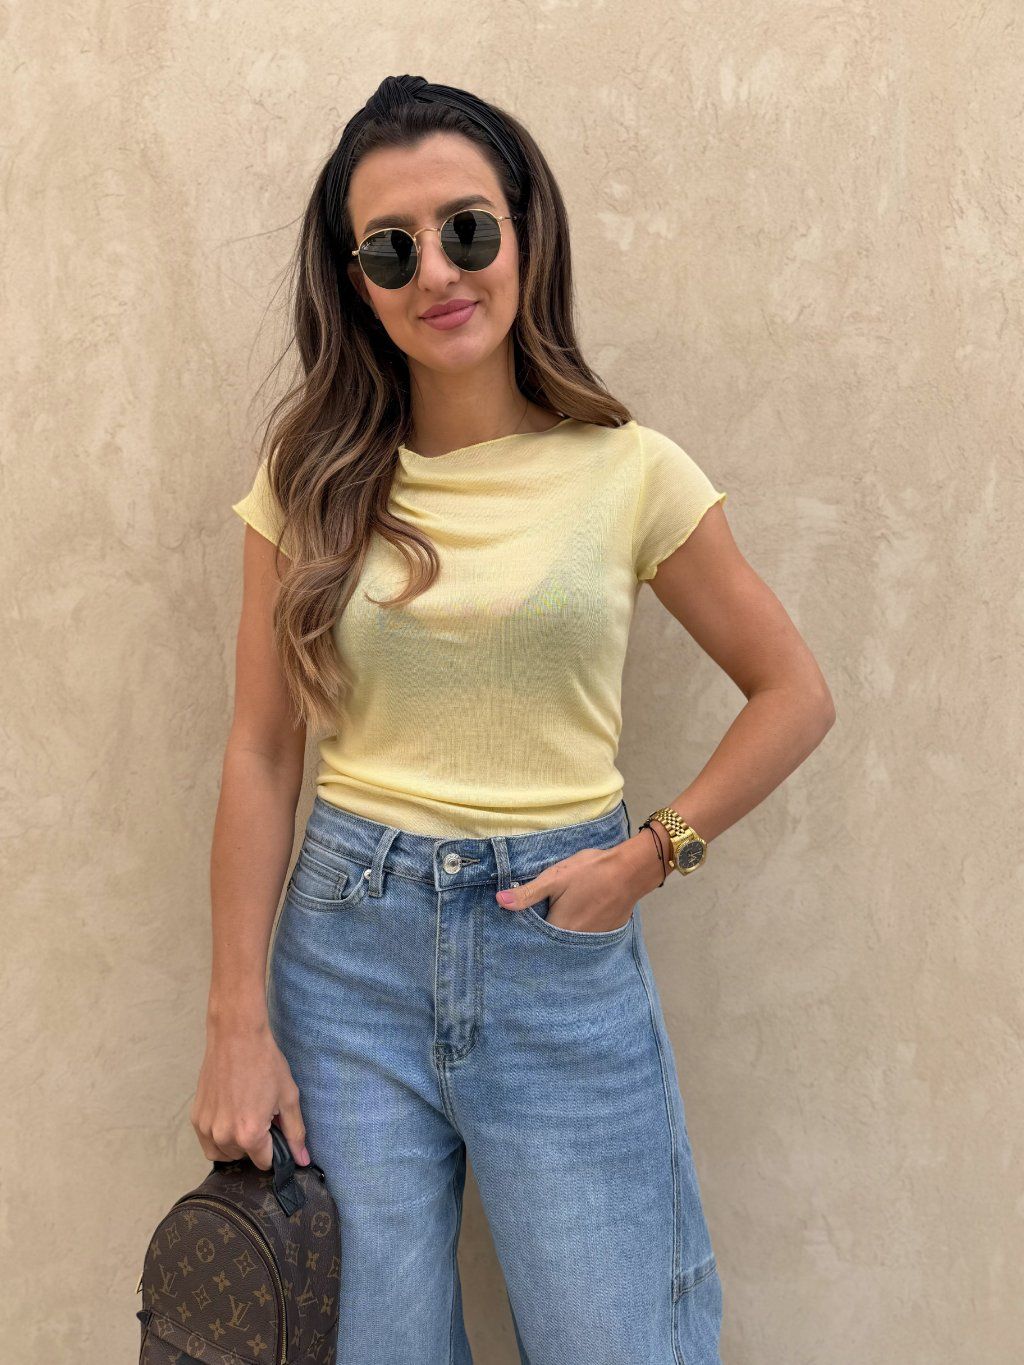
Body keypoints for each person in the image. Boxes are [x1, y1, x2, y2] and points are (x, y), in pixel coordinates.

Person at [190, 74, 835, 1365]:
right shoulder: (309, 476)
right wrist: (234, 1021)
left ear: (526, 234)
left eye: (467, 229)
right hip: (347, 959)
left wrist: (651, 856)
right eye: (391, 248)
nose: (436, 271)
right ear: (356, 282)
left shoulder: (631, 470)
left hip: (561, 949)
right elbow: (262, 750)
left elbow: (795, 694)